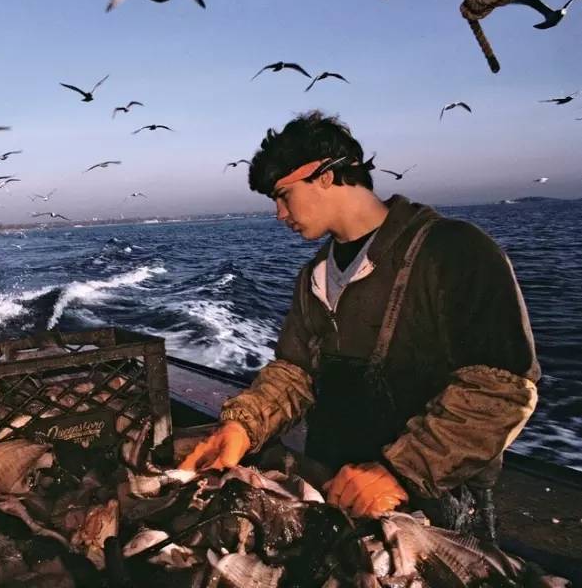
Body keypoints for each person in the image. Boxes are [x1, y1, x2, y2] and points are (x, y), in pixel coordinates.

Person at [180, 111, 539, 539]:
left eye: (283, 195)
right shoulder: (314, 276)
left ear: (326, 176)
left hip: (431, 504)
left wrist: (399, 471)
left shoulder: (455, 251)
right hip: (332, 486)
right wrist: (242, 426)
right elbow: (294, 372)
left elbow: (499, 388)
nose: (279, 214)